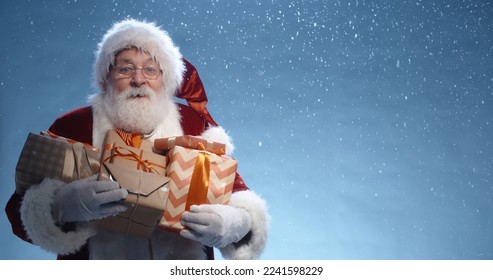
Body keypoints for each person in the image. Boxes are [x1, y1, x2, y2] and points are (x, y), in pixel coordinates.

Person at [5, 19, 269, 260]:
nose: (138, 79)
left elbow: (237, 194)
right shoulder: (74, 126)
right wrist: (62, 206)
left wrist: (235, 224)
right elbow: (18, 214)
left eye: (150, 70)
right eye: (125, 69)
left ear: (164, 79)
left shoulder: (192, 123)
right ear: (106, 78)